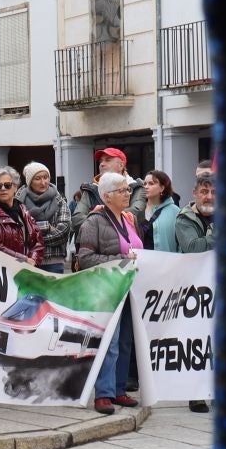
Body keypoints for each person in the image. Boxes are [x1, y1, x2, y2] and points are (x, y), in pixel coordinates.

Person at [75, 170, 144, 416]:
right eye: (122, 190)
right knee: (110, 342)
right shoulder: (93, 221)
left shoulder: (129, 219)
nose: (128, 194)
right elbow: (85, 258)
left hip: (130, 288)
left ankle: (118, 388)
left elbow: (140, 251)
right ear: (106, 196)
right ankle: (103, 393)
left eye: (127, 189)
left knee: (126, 341)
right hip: (107, 289)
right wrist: (121, 258)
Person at [173, 166, 217, 413]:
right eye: (204, 191)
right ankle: (196, 395)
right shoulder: (185, 218)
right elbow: (193, 248)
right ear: (195, 193)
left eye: (213, 192)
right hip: (195, 292)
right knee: (196, 343)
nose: (209, 196)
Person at [0, 166, 44, 267]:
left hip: (26, 270)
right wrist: (24, 260)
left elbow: (37, 239)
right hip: (1, 273)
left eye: (7, 185)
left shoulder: (22, 209)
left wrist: (33, 260)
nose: (3, 188)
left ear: (15, 187)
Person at [19, 162, 71, 273]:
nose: (43, 182)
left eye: (46, 177)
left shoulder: (59, 200)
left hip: (53, 262)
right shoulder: (19, 200)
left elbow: (63, 232)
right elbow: (19, 231)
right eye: (37, 178)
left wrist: (34, 239)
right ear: (30, 181)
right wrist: (47, 227)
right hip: (28, 261)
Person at [135, 169, 180, 252]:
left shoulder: (175, 211)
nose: (146, 187)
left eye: (151, 183)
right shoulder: (138, 211)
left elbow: (181, 243)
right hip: (141, 261)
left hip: (166, 262)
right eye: (145, 184)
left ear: (162, 188)